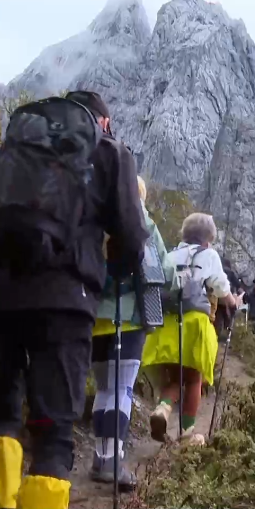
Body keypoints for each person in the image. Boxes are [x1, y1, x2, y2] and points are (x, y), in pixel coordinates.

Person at [0, 90, 147, 509]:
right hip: (66, 304)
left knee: (0, 415)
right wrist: (106, 273)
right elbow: (131, 237)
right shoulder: (111, 152)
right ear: (104, 122)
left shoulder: (16, 147)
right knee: (53, 433)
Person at [88, 175, 167, 489]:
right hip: (129, 317)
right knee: (121, 390)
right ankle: (112, 461)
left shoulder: (93, 217)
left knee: (104, 389)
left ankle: (100, 457)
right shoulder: (143, 222)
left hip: (95, 316)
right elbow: (165, 270)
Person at [142, 213, 236, 445]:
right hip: (194, 321)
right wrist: (232, 303)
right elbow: (220, 287)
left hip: (168, 321)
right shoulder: (209, 255)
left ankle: (163, 409)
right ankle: (187, 434)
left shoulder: (172, 254)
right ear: (207, 238)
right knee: (194, 378)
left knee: (177, 376)